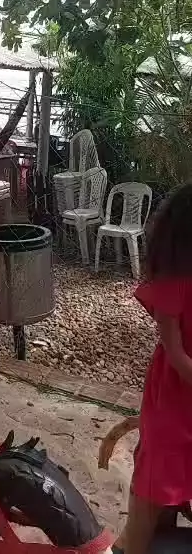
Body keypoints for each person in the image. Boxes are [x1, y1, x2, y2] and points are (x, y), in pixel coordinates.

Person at [114, 182, 192, 554]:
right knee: (157, 475)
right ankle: (135, 544)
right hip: (175, 397)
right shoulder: (172, 285)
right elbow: (177, 356)